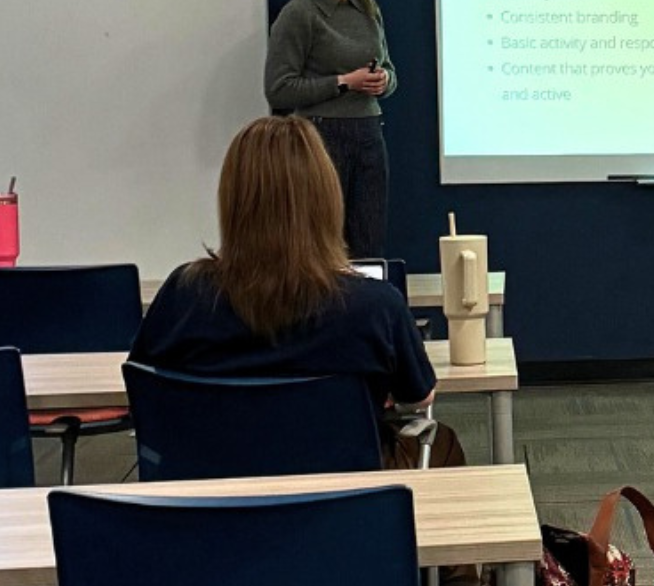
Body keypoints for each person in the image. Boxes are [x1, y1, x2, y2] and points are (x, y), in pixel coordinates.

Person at [128, 116, 460, 470]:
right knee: (443, 444)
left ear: (232, 200)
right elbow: (420, 395)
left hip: (207, 507)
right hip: (340, 510)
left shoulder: (183, 294)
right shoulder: (375, 305)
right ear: (327, 198)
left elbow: (144, 382)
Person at [264, 0, 396, 258]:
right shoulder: (300, 14)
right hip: (322, 138)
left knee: (368, 244)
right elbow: (278, 89)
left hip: (369, 133)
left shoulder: (367, 8)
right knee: (323, 244)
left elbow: (390, 69)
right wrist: (342, 83)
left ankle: (364, 309)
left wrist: (384, 80)